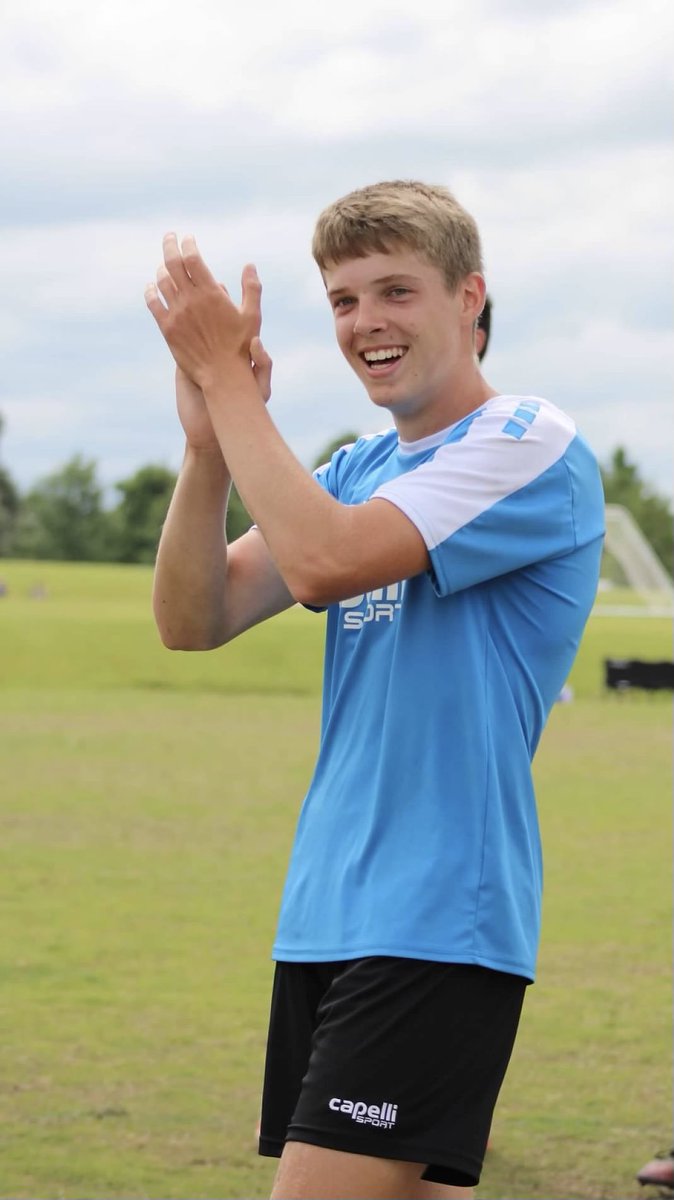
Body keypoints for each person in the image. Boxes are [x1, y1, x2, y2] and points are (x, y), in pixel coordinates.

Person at [145, 180, 605, 1200]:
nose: (365, 323)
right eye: (343, 301)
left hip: (437, 917)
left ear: (469, 297)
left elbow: (325, 563)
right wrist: (207, 445)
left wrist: (225, 380)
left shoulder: (526, 442)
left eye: (396, 291)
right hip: (327, 911)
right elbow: (193, 618)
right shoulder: (354, 469)